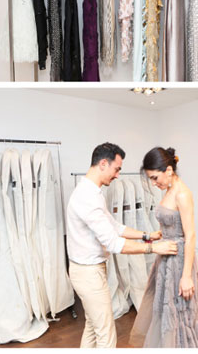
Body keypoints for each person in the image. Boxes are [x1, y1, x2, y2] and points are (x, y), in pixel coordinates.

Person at [66, 142, 178, 348]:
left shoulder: (93, 192)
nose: (118, 175)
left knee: (93, 326)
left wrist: (147, 235)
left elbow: (115, 226)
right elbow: (113, 243)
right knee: (106, 334)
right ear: (103, 164)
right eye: (117, 169)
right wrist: (153, 248)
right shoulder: (87, 197)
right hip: (88, 273)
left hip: (89, 270)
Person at [129, 147, 198, 348]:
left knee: (179, 313)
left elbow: (190, 236)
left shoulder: (182, 194)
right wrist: (159, 234)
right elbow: (173, 224)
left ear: (169, 170)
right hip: (165, 258)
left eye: (155, 178)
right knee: (164, 312)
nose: (154, 183)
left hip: (179, 261)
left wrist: (186, 276)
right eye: (151, 179)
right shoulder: (169, 190)